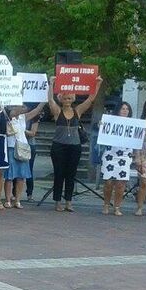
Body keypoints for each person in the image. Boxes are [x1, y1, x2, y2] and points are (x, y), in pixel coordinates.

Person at [46, 77, 101, 212]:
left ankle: (68, 202)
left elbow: (90, 99)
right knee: (59, 174)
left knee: (71, 175)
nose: (67, 101)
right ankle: (57, 201)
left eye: (70, 98)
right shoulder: (57, 111)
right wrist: (51, 84)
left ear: (73, 99)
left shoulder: (77, 111)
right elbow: (50, 100)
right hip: (59, 146)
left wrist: (98, 84)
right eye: (65, 98)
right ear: (61, 99)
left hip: (74, 147)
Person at [3, 103, 44, 208]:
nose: (22, 108)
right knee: (9, 176)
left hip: (23, 147)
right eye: (19, 106)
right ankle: (8, 200)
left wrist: (44, 100)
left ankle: (17, 200)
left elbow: (36, 110)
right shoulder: (7, 117)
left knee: (21, 176)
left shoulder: (23, 117)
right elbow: (14, 112)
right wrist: (18, 100)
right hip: (11, 147)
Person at [100, 102, 135, 216]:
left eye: (127, 109)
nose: (125, 111)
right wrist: (101, 125)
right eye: (122, 108)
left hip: (125, 155)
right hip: (110, 154)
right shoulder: (111, 121)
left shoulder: (133, 124)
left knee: (121, 183)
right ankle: (106, 204)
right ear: (118, 110)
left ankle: (117, 207)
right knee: (108, 182)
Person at [24, 113, 40, 201]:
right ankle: (14, 192)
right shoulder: (19, 116)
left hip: (29, 145)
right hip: (18, 144)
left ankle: (29, 193)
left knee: (29, 169)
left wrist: (22, 130)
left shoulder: (34, 118)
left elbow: (33, 133)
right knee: (16, 168)